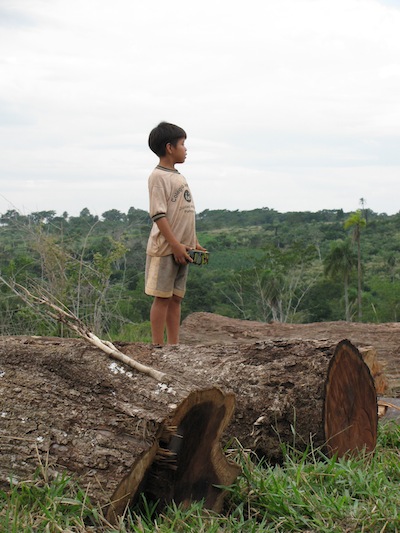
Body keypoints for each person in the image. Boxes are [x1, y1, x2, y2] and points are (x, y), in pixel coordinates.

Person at [145, 121, 206, 345]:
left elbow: (182, 213)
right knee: (162, 297)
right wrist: (175, 244)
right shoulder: (158, 177)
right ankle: (157, 346)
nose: (185, 149)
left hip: (182, 248)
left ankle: (174, 344)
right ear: (170, 147)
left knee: (176, 298)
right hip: (165, 248)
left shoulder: (178, 176)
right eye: (182, 144)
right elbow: (158, 215)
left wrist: (193, 242)